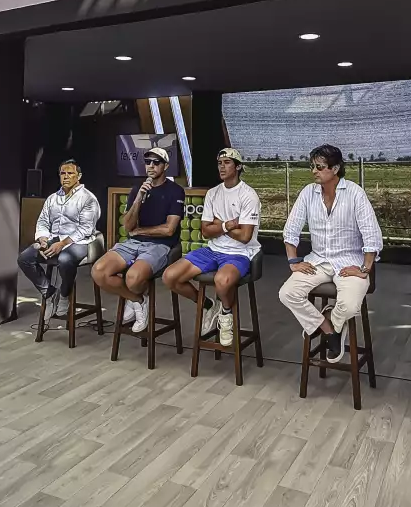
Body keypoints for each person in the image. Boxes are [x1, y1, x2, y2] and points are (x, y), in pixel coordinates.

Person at [279, 144, 382, 363]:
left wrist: (364, 268)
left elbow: (371, 234)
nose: (314, 171)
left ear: (335, 169)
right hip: (318, 260)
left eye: (319, 167)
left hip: (349, 262)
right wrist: (293, 261)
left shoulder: (354, 193)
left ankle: (330, 320)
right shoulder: (308, 192)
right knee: (287, 293)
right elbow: (291, 230)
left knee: (350, 306)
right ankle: (329, 329)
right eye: (312, 166)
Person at [163, 148, 261, 346]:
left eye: (227, 163)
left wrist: (218, 225)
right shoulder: (213, 193)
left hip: (239, 253)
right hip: (212, 249)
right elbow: (205, 232)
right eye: (219, 163)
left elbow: (244, 237)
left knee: (221, 281)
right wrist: (228, 225)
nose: (222, 167)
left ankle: (226, 313)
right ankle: (208, 305)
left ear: (238, 167)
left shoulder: (248, 195)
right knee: (170, 276)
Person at [92, 147, 185, 333]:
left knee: (133, 278)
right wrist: (138, 199)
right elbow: (128, 227)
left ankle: (134, 296)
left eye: (156, 162)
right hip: (133, 243)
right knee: (99, 272)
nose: (151, 166)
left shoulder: (175, 191)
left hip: (160, 245)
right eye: (148, 162)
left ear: (166, 166)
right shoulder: (137, 190)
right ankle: (138, 300)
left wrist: (141, 230)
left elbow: (169, 230)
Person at [17, 159, 101, 320]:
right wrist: (42, 238)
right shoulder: (52, 198)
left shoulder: (88, 198)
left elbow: (85, 229)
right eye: (63, 173)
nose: (66, 176)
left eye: (70, 173)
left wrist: (62, 244)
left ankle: (64, 294)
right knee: (25, 258)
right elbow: (43, 221)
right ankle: (50, 293)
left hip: (79, 241)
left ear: (79, 176)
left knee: (65, 259)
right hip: (54, 238)